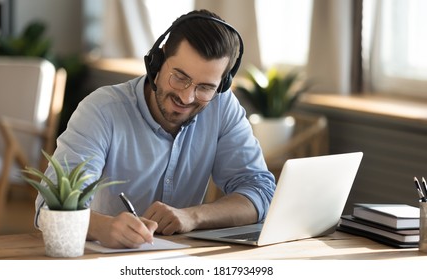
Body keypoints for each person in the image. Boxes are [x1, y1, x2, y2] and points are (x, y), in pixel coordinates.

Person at [35, 9, 275, 249]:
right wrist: (103, 227)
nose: (187, 96)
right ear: (156, 62)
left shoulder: (221, 107)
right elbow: (49, 209)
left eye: (205, 87)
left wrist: (192, 217)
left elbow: (260, 192)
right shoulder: (101, 110)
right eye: (180, 77)